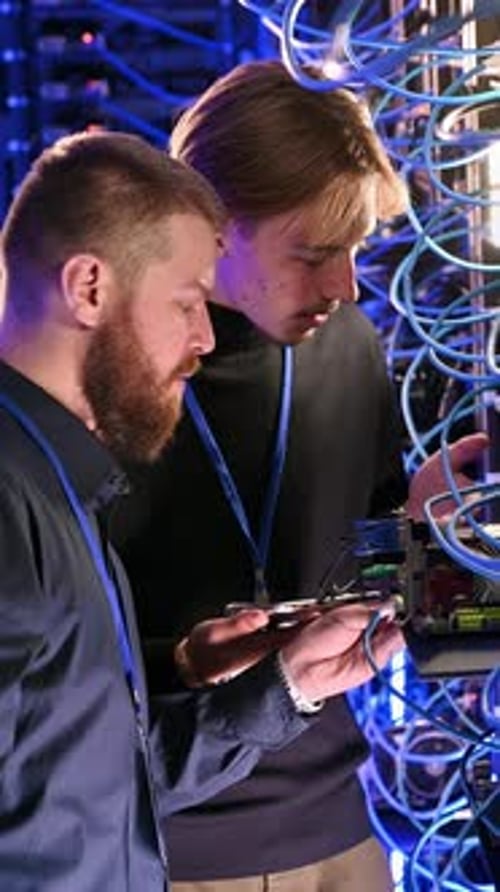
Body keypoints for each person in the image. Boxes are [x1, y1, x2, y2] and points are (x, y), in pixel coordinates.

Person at [110, 61, 489, 892]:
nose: (344, 287)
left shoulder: (349, 343)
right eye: (315, 255)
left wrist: (432, 527)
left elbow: (377, 585)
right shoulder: (113, 377)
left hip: (340, 832)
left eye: (353, 252)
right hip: (176, 847)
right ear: (209, 224)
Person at [0, 129, 406, 892]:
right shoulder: (19, 497)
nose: (206, 335)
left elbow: (102, 782)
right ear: (89, 288)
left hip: (321, 810)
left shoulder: (62, 480)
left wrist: (283, 686)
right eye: (189, 301)